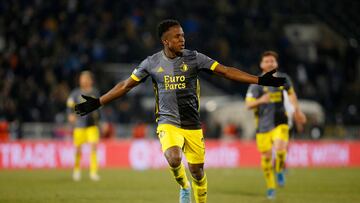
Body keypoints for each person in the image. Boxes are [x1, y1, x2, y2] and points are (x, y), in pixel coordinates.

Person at [75, 19, 285, 203]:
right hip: (168, 121)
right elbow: (125, 85)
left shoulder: (194, 58)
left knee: (198, 172)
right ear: (165, 41)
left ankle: (197, 194)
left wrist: (258, 80)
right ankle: (184, 186)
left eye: (183, 35)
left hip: (192, 124)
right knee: (174, 158)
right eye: (177, 37)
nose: (182, 39)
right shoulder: (151, 63)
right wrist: (99, 102)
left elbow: (226, 71)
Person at [245, 51, 306, 199]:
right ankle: (271, 187)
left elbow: (292, 94)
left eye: (272, 61)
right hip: (263, 126)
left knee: (280, 149)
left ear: (276, 64)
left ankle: (279, 170)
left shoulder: (284, 79)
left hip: (281, 122)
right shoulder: (257, 82)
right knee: (266, 158)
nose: (270, 63)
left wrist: (297, 111)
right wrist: (261, 101)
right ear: (261, 64)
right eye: (266, 61)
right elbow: (248, 105)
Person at [67, 71, 101, 181]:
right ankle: (76, 170)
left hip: (92, 125)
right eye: (82, 78)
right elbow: (69, 106)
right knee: (78, 149)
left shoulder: (95, 93)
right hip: (79, 125)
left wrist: (102, 120)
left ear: (91, 80)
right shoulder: (75, 93)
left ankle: (93, 172)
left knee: (93, 147)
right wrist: (70, 115)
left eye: (86, 78)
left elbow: (100, 108)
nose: (84, 80)